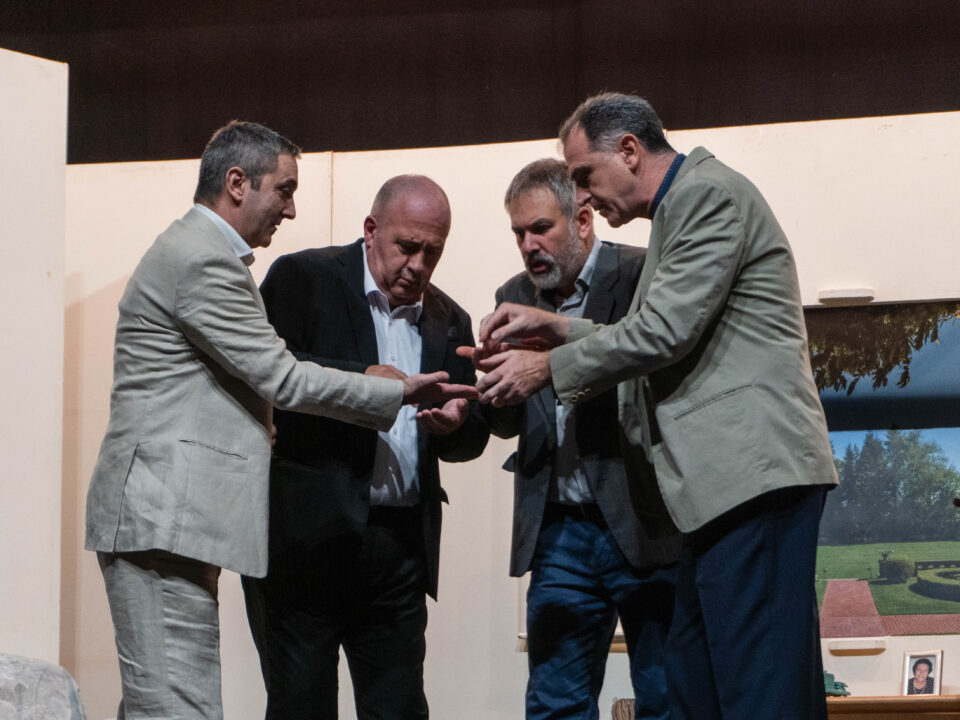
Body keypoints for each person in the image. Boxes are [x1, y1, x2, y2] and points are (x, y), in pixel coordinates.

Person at [84, 124, 475, 720]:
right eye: (285, 190)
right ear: (237, 183)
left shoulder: (202, 253)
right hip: (170, 518)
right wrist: (391, 390)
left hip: (179, 521)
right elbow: (284, 378)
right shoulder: (205, 260)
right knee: (177, 709)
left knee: (162, 705)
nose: (291, 210)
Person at [468, 93, 839, 720]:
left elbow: (662, 333)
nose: (584, 195)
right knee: (696, 685)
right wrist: (557, 330)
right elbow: (655, 330)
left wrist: (549, 365)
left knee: (759, 690)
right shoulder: (678, 211)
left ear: (630, 151)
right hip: (712, 492)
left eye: (585, 174)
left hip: (751, 478)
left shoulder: (705, 195)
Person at [241, 174, 489, 719]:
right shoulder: (304, 278)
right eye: (407, 246)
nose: (418, 265)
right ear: (371, 229)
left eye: (432, 252)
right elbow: (267, 376)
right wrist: (367, 382)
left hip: (398, 551)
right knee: (301, 708)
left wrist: (456, 426)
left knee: (399, 709)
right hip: (307, 542)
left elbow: (471, 434)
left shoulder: (449, 319)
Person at [485, 158, 679, 720]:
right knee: (554, 703)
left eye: (540, 228)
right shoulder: (513, 293)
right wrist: (488, 393)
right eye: (518, 233)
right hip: (559, 530)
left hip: (645, 519)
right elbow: (513, 420)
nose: (528, 246)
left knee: (666, 695)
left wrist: (550, 365)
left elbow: (655, 370)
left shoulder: (641, 274)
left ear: (583, 220)